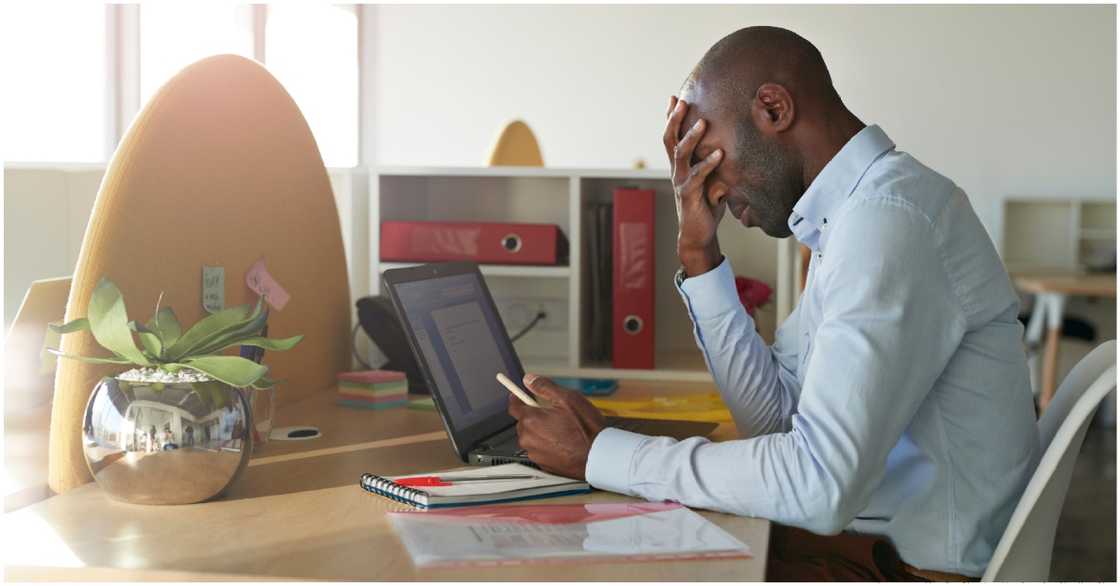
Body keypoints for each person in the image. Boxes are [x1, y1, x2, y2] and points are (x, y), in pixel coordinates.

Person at [508, 26, 1040, 581]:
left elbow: (818, 484)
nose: (705, 185)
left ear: (773, 107)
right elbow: (774, 422)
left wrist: (601, 455)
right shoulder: (853, 220)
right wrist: (698, 252)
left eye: (708, 157)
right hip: (866, 548)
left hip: (910, 570)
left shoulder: (888, 221)